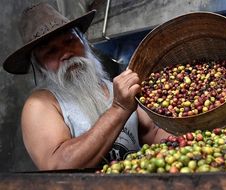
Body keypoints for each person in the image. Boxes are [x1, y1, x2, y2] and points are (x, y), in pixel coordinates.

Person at [2, 3, 171, 170]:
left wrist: (187, 133)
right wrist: (119, 108)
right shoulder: (40, 105)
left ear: (84, 42)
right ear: (39, 65)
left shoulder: (116, 89)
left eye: (70, 41)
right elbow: (58, 165)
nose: (66, 53)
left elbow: (153, 135)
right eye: (51, 51)